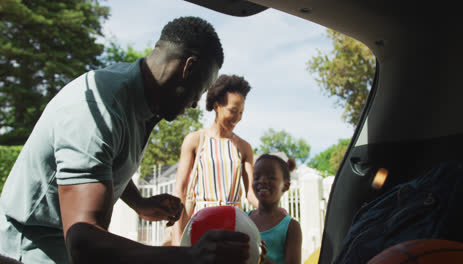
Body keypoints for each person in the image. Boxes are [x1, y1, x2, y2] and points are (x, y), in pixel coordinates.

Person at [0, 16, 251, 264]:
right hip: (27, 250)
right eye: (202, 89)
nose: (196, 103)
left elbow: (103, 163)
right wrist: (190, 256)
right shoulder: (98, 108)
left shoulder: (143, 103)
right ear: (189, 67)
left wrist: (138, 202)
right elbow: (83, 242)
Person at [172, 74, 259, 245]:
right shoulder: (195, 140)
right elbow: (180, 191)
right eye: (233, 111)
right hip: (201, 223)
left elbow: (250, 193)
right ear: (217, 105)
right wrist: (177, 237)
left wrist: (273, 210)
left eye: (241, 112)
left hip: (235, 224)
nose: (238, 117)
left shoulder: (244, 147)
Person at [248, 154, 302, 264]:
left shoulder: (291, 227)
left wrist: (261, 258)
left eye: (271, 177)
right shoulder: (244, 218)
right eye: (257, 177)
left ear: (285, 186)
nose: (262, 181)